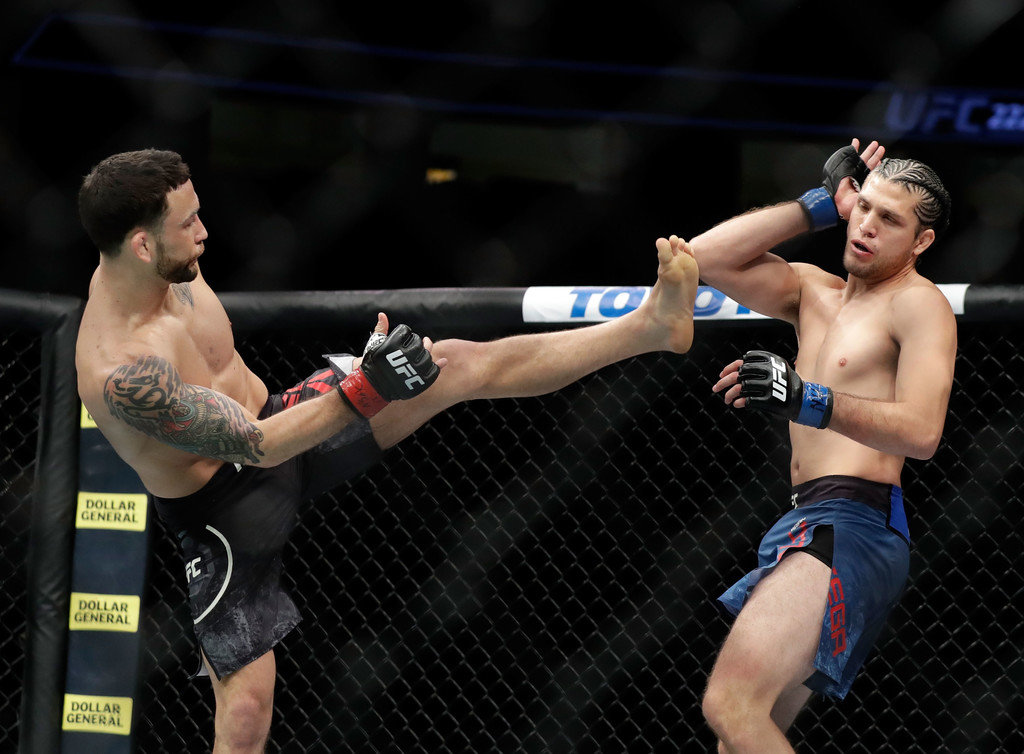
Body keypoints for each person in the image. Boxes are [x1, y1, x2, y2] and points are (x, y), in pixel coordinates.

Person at [73, 148, 700, 753]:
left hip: (283, 418)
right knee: (243, 716)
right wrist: (365, 390)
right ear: (142, 244)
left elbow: (265, 424)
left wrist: (361, 391)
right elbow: (256, 448)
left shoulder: (169, 261)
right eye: (189, 222)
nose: (206, 231)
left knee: (457, 362)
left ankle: (649, 326)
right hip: (222, 506)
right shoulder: (122, 371)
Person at [677, 139, 956, 753]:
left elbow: (923, 432)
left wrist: (810, 398)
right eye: (864, 209)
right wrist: (815, 206)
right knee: (743, 733)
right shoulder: (812, 292)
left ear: (921, 243)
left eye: (891, 220)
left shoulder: (919, 304)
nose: (868, 226)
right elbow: (698, 258)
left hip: (856, 523)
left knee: (731, 704)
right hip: (807, 518)